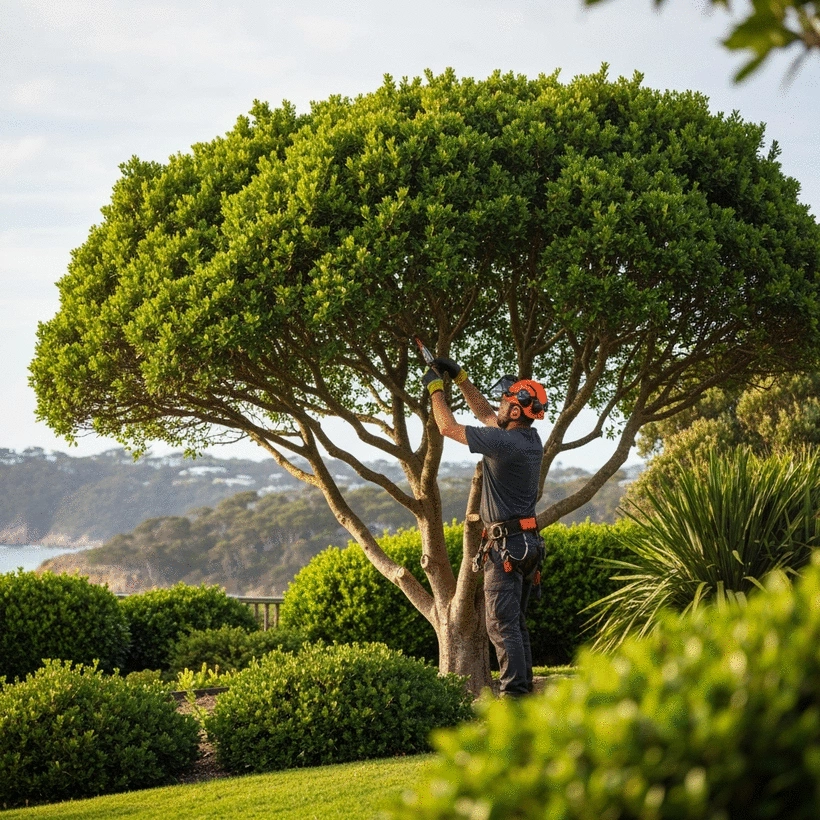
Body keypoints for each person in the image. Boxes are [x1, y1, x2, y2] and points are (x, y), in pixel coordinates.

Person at [422, 356, 547, 697]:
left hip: (506, 548)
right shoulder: (527, 440)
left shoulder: (504, 443)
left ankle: (514, 700)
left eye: (506, 401)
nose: (500, 404)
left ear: (518, 411)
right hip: (525, 544)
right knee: (515, 626)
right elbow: (483, 414)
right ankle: (522, 695)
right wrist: (460, 376)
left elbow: (448, 427)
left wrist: (435, 388)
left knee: (502, 627)